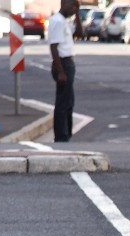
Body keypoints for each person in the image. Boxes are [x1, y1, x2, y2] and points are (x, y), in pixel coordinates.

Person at [49, 0, 81, 142]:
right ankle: (61, 137)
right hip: (63, 63)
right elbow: (54, 47)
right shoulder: (57, 21)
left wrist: (78, 14)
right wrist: (61, 71)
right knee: (63, 102)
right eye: (73, 5)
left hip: (68, 63)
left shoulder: (65, 21)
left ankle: (66, 134)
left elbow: (79, 34)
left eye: (76, 7)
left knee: (69, 101)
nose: (74, 9)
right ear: (64, 4)